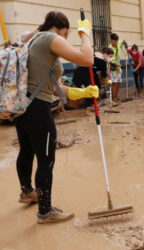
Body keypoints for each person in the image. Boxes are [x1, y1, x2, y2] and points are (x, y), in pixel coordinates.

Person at [14, 11, 98, 223]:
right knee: (46, 159)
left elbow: (56, 89)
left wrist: (83, 92)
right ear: (65, 30)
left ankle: (27, 191)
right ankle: (45, 211)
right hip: (37, 110)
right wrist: (85, 34)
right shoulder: (52, 38)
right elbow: (88, 59)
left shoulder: (34, 40)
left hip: (22, 106)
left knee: (26, 150)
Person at [108, 33, 127, 101]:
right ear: (111, 40)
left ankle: (116, 96)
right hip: (112, 68)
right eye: (115, 41)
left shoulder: (118, 42)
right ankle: (114, 98)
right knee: (114, 83)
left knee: (118, 82)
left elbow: (123, 41)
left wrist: (125, 43)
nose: (116, 42)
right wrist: (121, 65)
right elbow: (112, 61)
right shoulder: (110, 48)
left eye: (117, 41)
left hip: (118, 68)